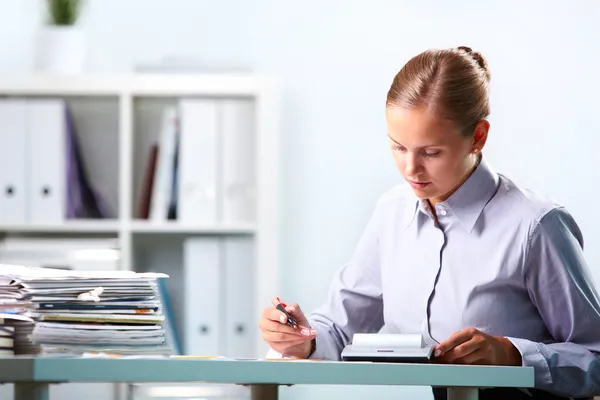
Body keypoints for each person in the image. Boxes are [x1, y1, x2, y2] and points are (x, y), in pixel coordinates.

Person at [259, 46, 600, 400]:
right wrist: (300, 340)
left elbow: (595, 359)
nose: (410, 169)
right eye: (398, 147)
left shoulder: (536, 225)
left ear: (478, 137)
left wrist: (512, 355)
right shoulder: (392, 212)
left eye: (431, 152)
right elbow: (339, 332)